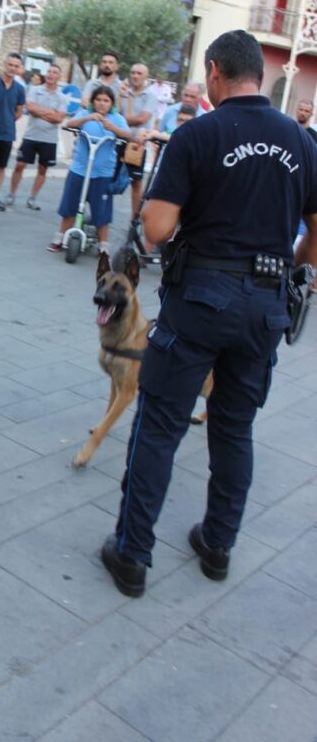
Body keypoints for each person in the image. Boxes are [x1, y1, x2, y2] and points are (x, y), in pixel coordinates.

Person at [100, 29, 317, 599]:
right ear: (260, 75)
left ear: (216, 71)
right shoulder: (301, 141)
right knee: (235, 428)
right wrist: (292, 269)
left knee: (159, 426)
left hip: (200, 299)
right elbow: (316, 233)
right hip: (265, 306)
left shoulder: (198, 134)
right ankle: (218, 545)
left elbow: (156, 228)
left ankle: (132, 554)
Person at [47, 86, 130, 253]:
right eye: (98, 100)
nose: (101, 103)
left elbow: (128, 135)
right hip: (79, 169)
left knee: (102, 211)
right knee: (70, 205)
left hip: (103, 173)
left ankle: (103, 245)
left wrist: (112, 128)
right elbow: (69, 124)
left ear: (111, 103)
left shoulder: (116, 119)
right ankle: (61, 236)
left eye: (106, 100)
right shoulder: (85, 114)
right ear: (93, 101)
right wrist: (87, 118)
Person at [5, 62, 68, 210]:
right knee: (19, 165)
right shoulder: (35, 90)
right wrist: (50, 112)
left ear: (59, 77)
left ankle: (32, 198)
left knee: (42, 169)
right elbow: (30, 108)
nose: (50, 74)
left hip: (49, 139)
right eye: (49, 71)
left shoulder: (62, 97)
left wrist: (40, 112)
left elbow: (59, 118)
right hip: (31, 136)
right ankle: (11, 194)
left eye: (54, 72)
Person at [0, 52, 26, 211]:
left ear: (19, 68)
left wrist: (7, 121)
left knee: (1, 166)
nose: (12, 68)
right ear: (4, 64)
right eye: (10, 64)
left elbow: (19, 112)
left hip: (7, 133)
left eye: (16, 66)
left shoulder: (20, 89)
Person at [118, 63, 158, 218]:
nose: (135, 76)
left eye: (139, 73)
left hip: (137, 145)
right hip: (120, 141)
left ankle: (134, 219)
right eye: (133, 72)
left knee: (136, 182)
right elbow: (114, 111)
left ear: (146, 76)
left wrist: (119, 122)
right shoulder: (124, 92)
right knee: (108, 178)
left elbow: (142, 118)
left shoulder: (150, 96)